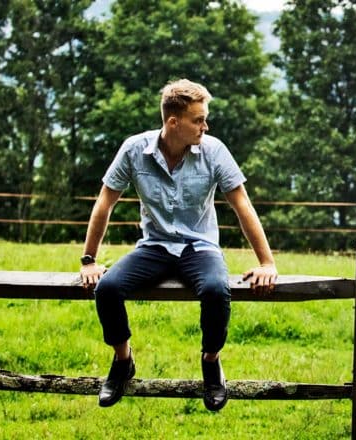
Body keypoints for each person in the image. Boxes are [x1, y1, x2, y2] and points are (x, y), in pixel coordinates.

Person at [79, 78, 278, 412]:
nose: (205, 126)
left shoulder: (214, 151)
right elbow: (105, 203)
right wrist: (89, 260)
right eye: (198, 120)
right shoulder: (134, 150)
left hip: (199, 248)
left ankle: (211, 363)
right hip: (154, 246)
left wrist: (267, 263)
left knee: (216, 290)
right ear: (174, 123)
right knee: (107, 289)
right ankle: (122, 361)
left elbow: (243, 205)